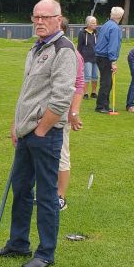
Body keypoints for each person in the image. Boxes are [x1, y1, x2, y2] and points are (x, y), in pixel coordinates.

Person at [0, 0, 76, 267]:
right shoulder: (37, 48)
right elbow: (28, 91)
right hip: (26, 132)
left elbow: (62, 97)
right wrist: (16, 124)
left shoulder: (63, 50)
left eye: (45, 17)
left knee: (47, 193)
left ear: (58, 19)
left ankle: (46, 252)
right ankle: (18, 243)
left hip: (45, 134)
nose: (39, 22)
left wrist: (41, 130)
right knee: (21, 189)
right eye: (36, 17)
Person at [58, 18, 84, 211]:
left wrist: (73, 112)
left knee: (61, 155)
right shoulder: (39, 49)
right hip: (38, 112)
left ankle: (60, 197)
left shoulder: (72, 53)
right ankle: (46, 193)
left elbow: (79, 84)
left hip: (60, 113)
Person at [94, 6, 124, 114]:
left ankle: (105, 105)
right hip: (105, 57)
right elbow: (113, 45)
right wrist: (113, 61)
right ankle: (100, 106)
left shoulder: (106, 24)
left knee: (107, 82)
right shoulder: (115, 28)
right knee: (106, 83)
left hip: (99, 56)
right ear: (120, 17)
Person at [76, 16, 98, 100]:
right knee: (87, 76)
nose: (95, 24)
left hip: (96, 58)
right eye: (93, 23)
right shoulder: (82, 33)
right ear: (88, 24)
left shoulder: (96, 33)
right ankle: (85, 93)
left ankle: (94, 92)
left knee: (95, 76)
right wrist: (78, 57)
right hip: (86, 58)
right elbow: (79, 46)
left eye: (95, 23)